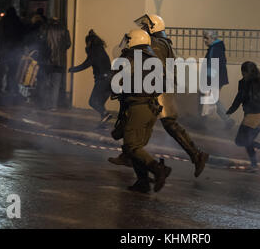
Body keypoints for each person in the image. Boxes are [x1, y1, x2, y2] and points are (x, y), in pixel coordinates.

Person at [109, 14, 209, 178]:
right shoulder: (163, 42)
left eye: (146, 26)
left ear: (152, 27)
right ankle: (129, 154)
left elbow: (153, 66)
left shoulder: (154, 43)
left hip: (156, 89)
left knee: (155, 120)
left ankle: (196, 155)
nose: (143, 29)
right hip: (161, 86)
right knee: (159, 123)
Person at [113, 29, 172, 193]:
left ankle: (158, 169)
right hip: (152, 108)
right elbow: (165, 84)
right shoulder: (154, 58)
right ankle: (142, 182)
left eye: (129, 39)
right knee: (137, 147)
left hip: (138, 106)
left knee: (131, 145)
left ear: (134, 40)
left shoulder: (129, 57)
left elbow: (116, 81)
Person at [226, 62, 260, 173]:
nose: (242, 74)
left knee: (241, 141)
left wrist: (230, 110)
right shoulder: (259, 82)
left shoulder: (246, 83)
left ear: (246, 72)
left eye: (243, 72)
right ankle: (255, 163)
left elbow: (239, 98)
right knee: (247, 141)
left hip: (252, 117)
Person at [69, 29, 112, 122]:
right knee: (100, 104)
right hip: (110, 79)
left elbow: (86, 64)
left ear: (89, 42)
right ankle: (103, 123)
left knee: (92, 102)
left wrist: (73, 69)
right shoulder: (101, 50)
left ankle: (106, 114)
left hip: (102, 80)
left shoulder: (94, 51)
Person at [202, 30, 235, 129]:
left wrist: (209, 81)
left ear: (213, 38)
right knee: (212, 99)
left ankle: (226, 120)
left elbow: (213, 66)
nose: (204, 40)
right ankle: (226, 120)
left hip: (215, 79)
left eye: (206, 38)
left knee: (211, 99)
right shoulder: (216, 48)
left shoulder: (215, 49)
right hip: (217, 78)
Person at [38, 18, 71, 110]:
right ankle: (53, 106)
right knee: (56, 84)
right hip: (60, 61)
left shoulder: (46, 29)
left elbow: (41, 43)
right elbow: (68, 44)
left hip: (47, 61)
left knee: (45, 83)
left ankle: (44, 104)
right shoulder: (64, 30)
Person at [0, 7, 26, 95]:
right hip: (16, 49)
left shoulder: (4, 21)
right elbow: (22, 34)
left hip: (5, 49)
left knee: (1, 70)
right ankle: (11, 88)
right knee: (13, 70)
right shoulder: (18, 21)